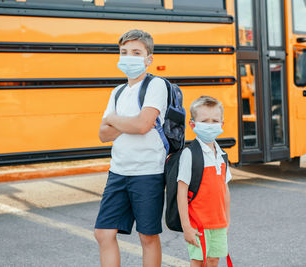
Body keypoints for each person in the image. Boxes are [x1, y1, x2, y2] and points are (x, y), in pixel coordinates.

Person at [94, 29, 167, 267]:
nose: (129, 57)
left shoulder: (156, 85)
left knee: (147, 236)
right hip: (118, 172)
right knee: (103, 233)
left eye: (136, 52)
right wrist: (128, 123)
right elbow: (103, 135)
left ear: (149, 58)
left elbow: (143, 125)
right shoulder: (117, 92)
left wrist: (115, 119)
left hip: (147, 173)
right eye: (124, 52)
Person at [177, 96, 232, 267]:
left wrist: (227, 220)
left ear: (222, 124)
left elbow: (225, 189)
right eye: (204, 120)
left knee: (213, 260)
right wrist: (186, 226)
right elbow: (182, 192)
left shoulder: (222, 155)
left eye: (215, 120)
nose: (210, 124)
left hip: (218, 222)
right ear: (193, 124)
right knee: (198, 261)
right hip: (197, 223)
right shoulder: (190, 154)